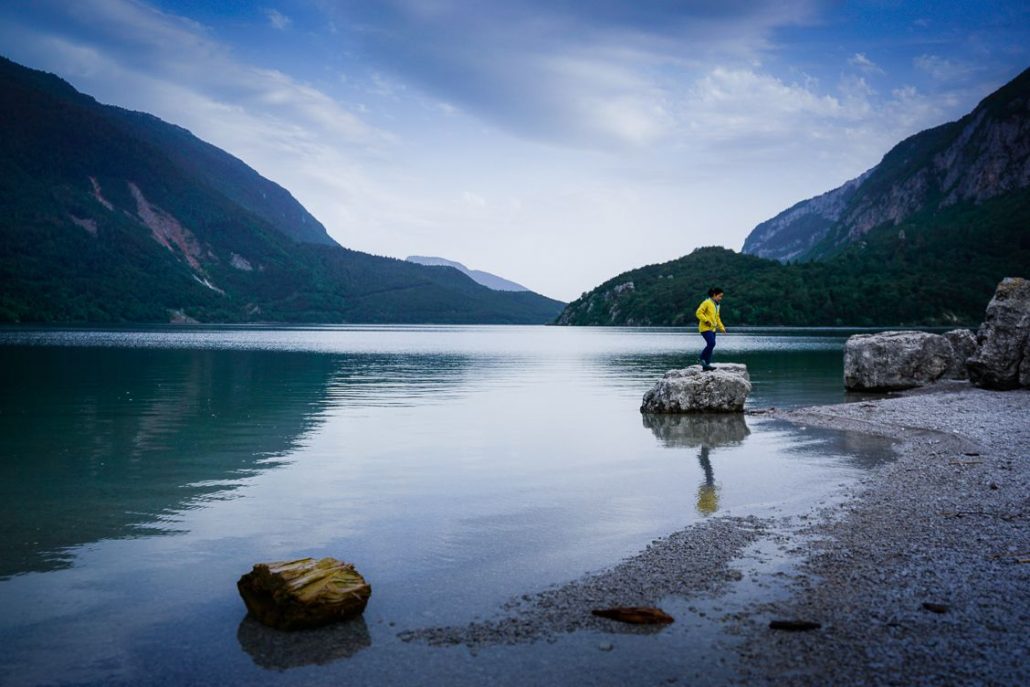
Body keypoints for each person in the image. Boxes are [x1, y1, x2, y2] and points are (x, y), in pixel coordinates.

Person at [695, 288, 726, 371]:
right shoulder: (706, 303)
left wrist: (722, 327)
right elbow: (698, 313)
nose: (721, 298)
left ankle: (707, 365)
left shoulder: (717, 305)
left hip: (713, 329)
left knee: (711, 346)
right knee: (711, 343)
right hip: (705, 328)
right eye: (720, 296)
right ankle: (701, 358)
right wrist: (706, 320)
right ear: (714, 295)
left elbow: (717, 318)